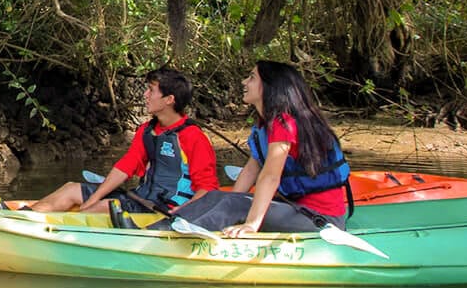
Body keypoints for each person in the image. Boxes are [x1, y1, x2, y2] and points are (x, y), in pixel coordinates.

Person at [161, 60, 349, 235]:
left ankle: (168, 238)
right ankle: (154, 230)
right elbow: (251, 170)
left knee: (235, 205)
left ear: (269, 86)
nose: (244, 82)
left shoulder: (284, 123)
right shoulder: (265, 125)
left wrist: (251, 224)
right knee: (215, 197)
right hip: (295, 209)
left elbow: (270, 177)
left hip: (319, 219)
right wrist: (223, 202)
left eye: (251, 77)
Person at [19, 67, 218, 215]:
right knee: (71, 189)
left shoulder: (193, 137)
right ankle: (20, 218)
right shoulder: (147, 130)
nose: (145, 95)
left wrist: (181, 212)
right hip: (139, 198)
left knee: (98, 209)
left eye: (151, 90)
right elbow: (126, 167)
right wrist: (93, 197)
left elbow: (208, 188)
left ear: (169, 99)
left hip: (165, 208)